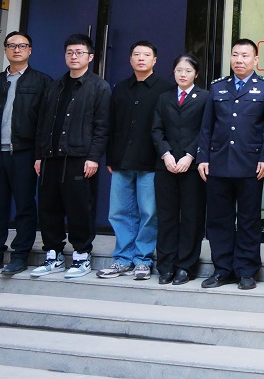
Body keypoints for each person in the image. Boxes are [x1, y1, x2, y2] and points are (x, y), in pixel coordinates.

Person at [0, 31, 52, 276]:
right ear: (5, 50)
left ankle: (20, 256)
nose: (17, 50)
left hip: (24, 154)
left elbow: (47, 123)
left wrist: (41, 155)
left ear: (30, 50)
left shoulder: (42, 82)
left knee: (25, 206)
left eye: (22, 46)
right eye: (11, 45)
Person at [197, 39, 264, 290]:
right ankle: (222, 269)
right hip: (218, 162)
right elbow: (207, 127)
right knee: (219, 219)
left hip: (251, 164)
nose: (239, 60)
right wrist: (203, 157)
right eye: (235, 55)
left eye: (245, 55)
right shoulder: (218, 87)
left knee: (248, 220)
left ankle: (246, 270)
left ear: (256, 60)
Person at [31, 33, 111, 279]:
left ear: (90, 57)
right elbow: (43, 123)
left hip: (79, 158)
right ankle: (53, 255)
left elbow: (102, 126)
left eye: (79, 52)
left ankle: (81, 256)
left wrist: (94, 157)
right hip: (50, 157)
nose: (74, 56)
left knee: (79, 209)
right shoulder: (55, 86)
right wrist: (39, 155)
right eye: (70, 52)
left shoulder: (99, 87)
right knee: (48, 208)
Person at [98, 41, 172, 280]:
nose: (141, 58)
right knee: (119, 211)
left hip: (151, 161)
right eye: (136, 54)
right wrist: (110, 156)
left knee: (149, 212)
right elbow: (111, 124)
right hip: (122, 160)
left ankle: (143, 259)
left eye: (146, 55)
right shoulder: (120, 88)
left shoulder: (165, 89)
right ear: (130, 59)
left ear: (154, 60)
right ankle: (122, 259)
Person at [151, 53, 208, 286]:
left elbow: (205, 130)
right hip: (166, 166)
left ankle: (186, 266)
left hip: (192, 168)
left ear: (196, 73)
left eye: (188, 71)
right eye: (178, 70)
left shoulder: (205, 97)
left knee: (192, 217)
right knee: (167, 217)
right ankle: (166, 266)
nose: (183, 74)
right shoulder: (164, 98)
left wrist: (189, 155)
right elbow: (156, 129)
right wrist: (166, 154)